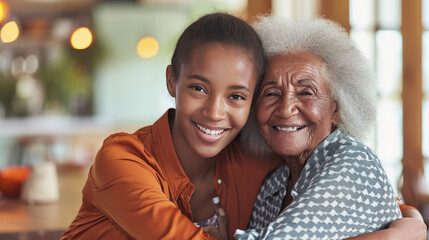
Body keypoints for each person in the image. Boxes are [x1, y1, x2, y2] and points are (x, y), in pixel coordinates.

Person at [60, 13, 280, 240]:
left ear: (253, 102)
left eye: (236, 96)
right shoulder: (121, 160)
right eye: (199, 88)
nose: (214, 113)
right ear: (172, 81)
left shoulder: (254, 165)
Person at [235, 16, 428, 239]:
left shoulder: (354, 162)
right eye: (271, 93)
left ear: (335, 110)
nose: (286, 109)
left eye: (306, 92)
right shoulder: (276, 180)